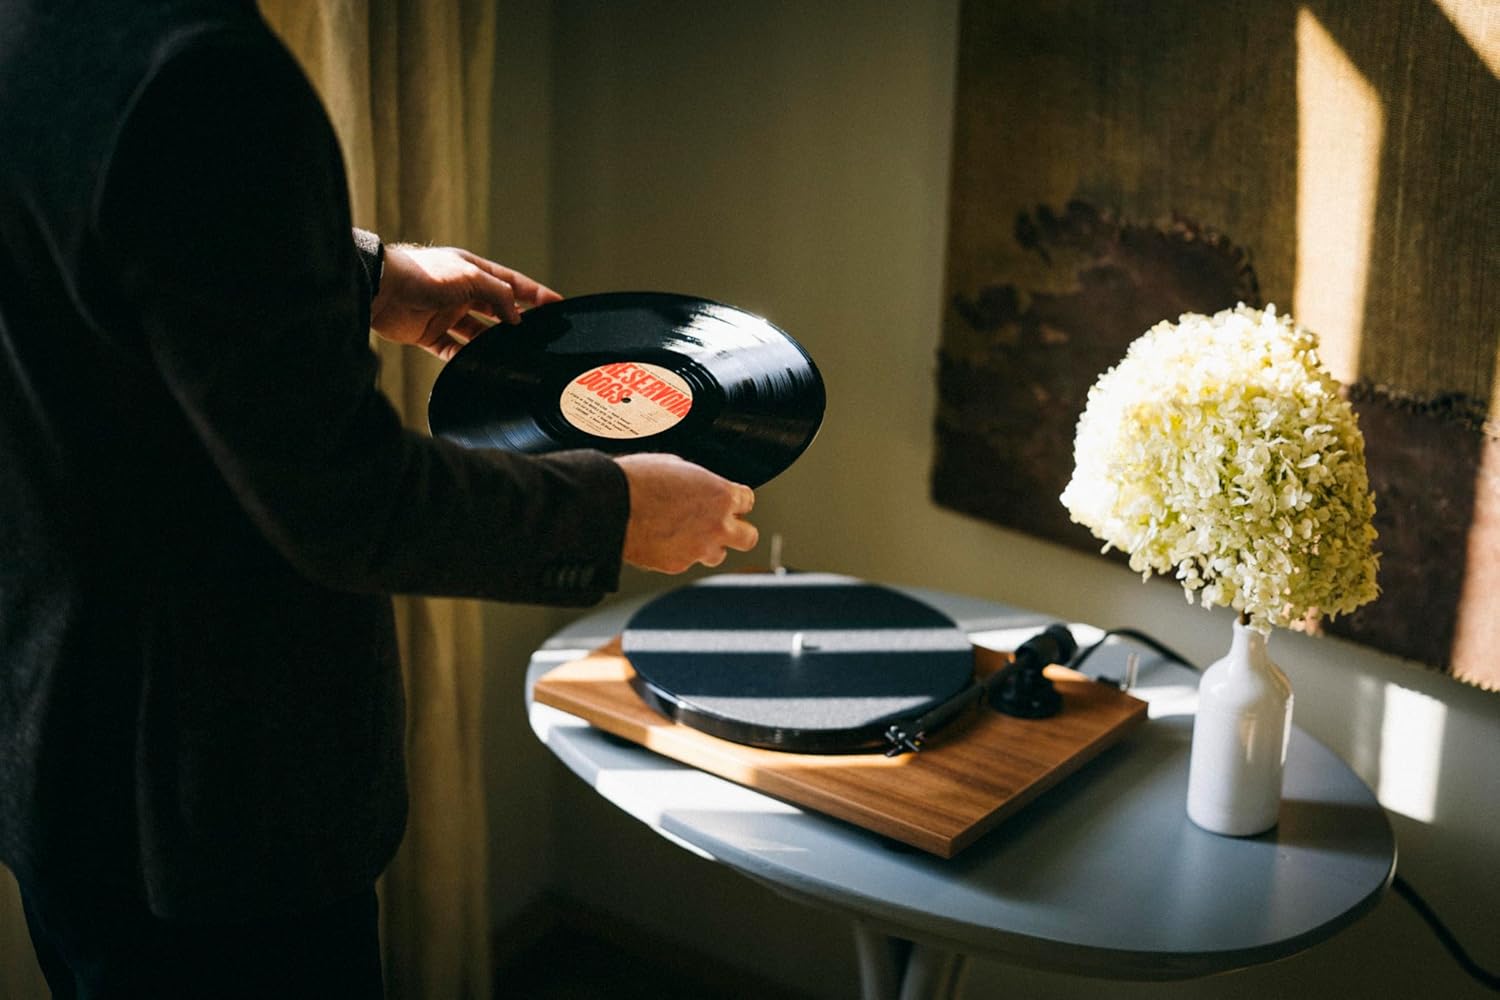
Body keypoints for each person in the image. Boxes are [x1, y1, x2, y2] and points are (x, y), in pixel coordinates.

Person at [0, 0, 757, 995]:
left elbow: (103, 233)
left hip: (54, 743)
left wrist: (357, 273)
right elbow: (347, 500)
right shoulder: (203, 74)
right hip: (208, 814)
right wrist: (615, 509)